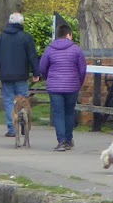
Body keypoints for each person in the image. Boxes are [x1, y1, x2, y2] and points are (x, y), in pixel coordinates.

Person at [36, 23, 87, 151]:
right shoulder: (76, 49)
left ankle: (61, 141)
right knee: (69, 112)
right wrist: (78, 82)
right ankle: (69, 140)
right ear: (68, 35)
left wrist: (49, 79)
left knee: (58, 113)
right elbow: (82, 69)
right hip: (72, 86)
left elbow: (42, 67)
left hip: (54, 87)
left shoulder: (49, 49)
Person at [0, 12, 39, 139]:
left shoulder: (1, 37)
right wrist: (36, 73)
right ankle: (24, 124)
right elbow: (32, 56)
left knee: (9, 101)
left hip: (5, 75)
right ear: (21, 23)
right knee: (23, 101)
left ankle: (11, 128)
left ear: (9, 22)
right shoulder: (26, 37)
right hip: (21, 75)